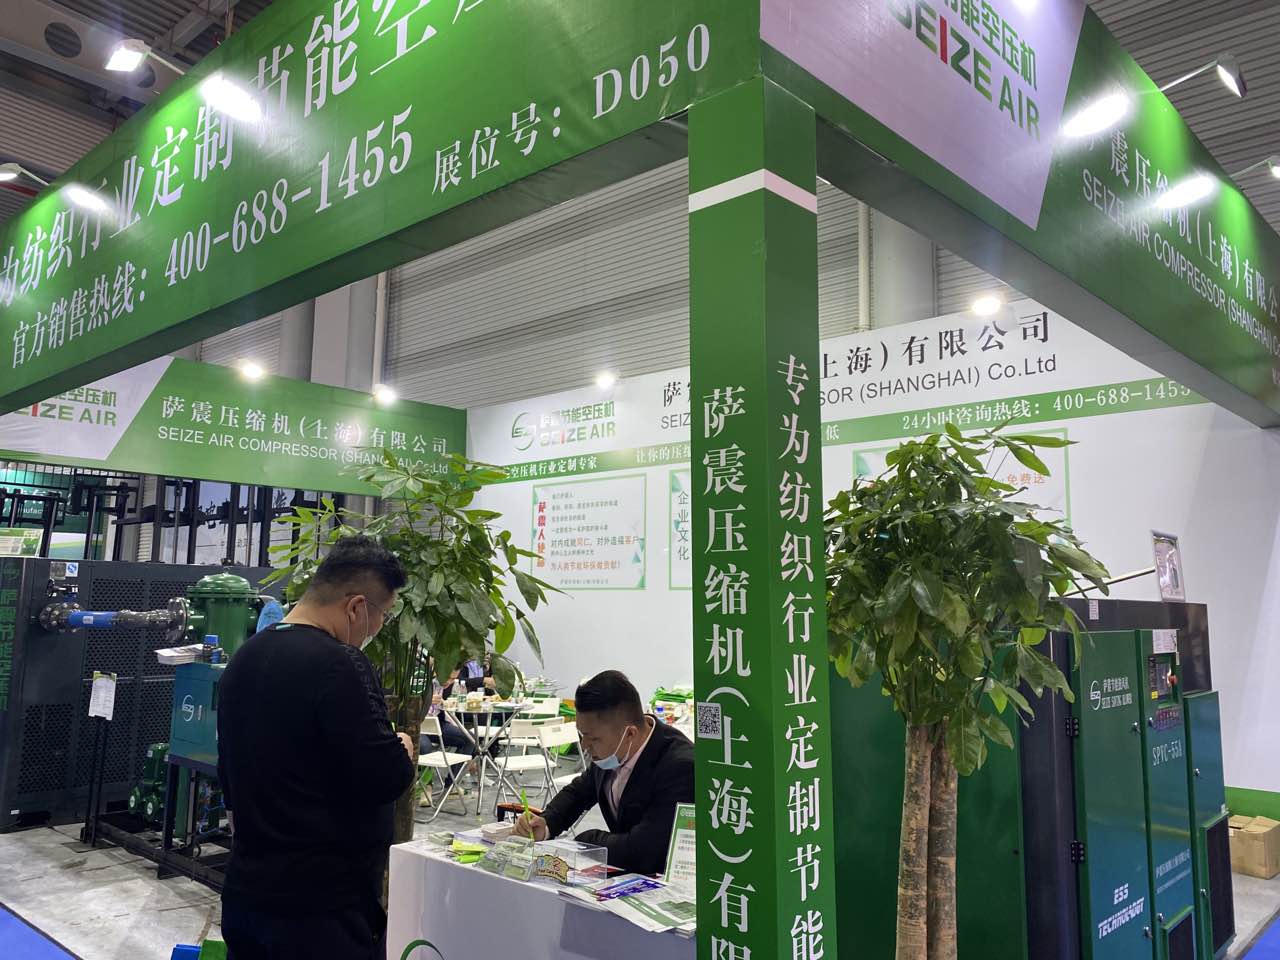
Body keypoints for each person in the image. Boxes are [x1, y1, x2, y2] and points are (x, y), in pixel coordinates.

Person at [217, 535, 416, 960]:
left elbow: (231, 777)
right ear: (357, 607)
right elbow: (386, 777)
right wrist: (402, 746)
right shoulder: (341, 664)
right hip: (320, 912)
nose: (378, 629)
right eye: (383, 616)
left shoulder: (244, 658)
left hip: (246, 895)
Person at [513, 670, 692, 875]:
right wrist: (545, 824)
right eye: (582, 735)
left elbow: (644, 850)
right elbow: (579, 792)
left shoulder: (679, 767)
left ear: (630, 734)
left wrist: (586, 841)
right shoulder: (612, 751)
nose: (584, 745)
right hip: (623, 871)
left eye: (593, 738)